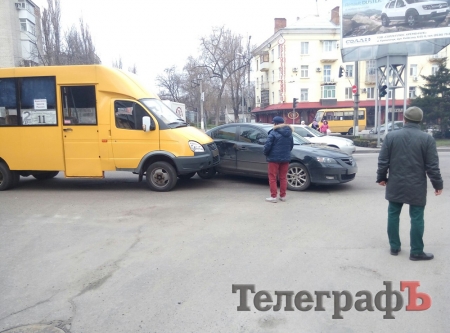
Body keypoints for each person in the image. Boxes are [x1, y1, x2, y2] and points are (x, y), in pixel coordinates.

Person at [376, 106, 443, 261]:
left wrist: (381, 177)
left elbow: (383, 161)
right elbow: (432, 166)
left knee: (393, 214)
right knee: (417, 217)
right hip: (417, 185)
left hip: (395, 182)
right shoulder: (427, 139)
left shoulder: (391, 136)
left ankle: (394, 247)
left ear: (404, 119)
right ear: (420, 121)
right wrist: (437, 185)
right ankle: (417, 251)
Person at [263, 116, 294, 203]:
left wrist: (266, 153)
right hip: (285, 158)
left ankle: (273, 197)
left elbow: (267, 146)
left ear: (275, 123)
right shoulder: (289, 133)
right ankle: (283, 196)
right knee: (283, 177)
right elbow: (291, 146)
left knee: (272, 177)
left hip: (273, 158)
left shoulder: (273, 133)